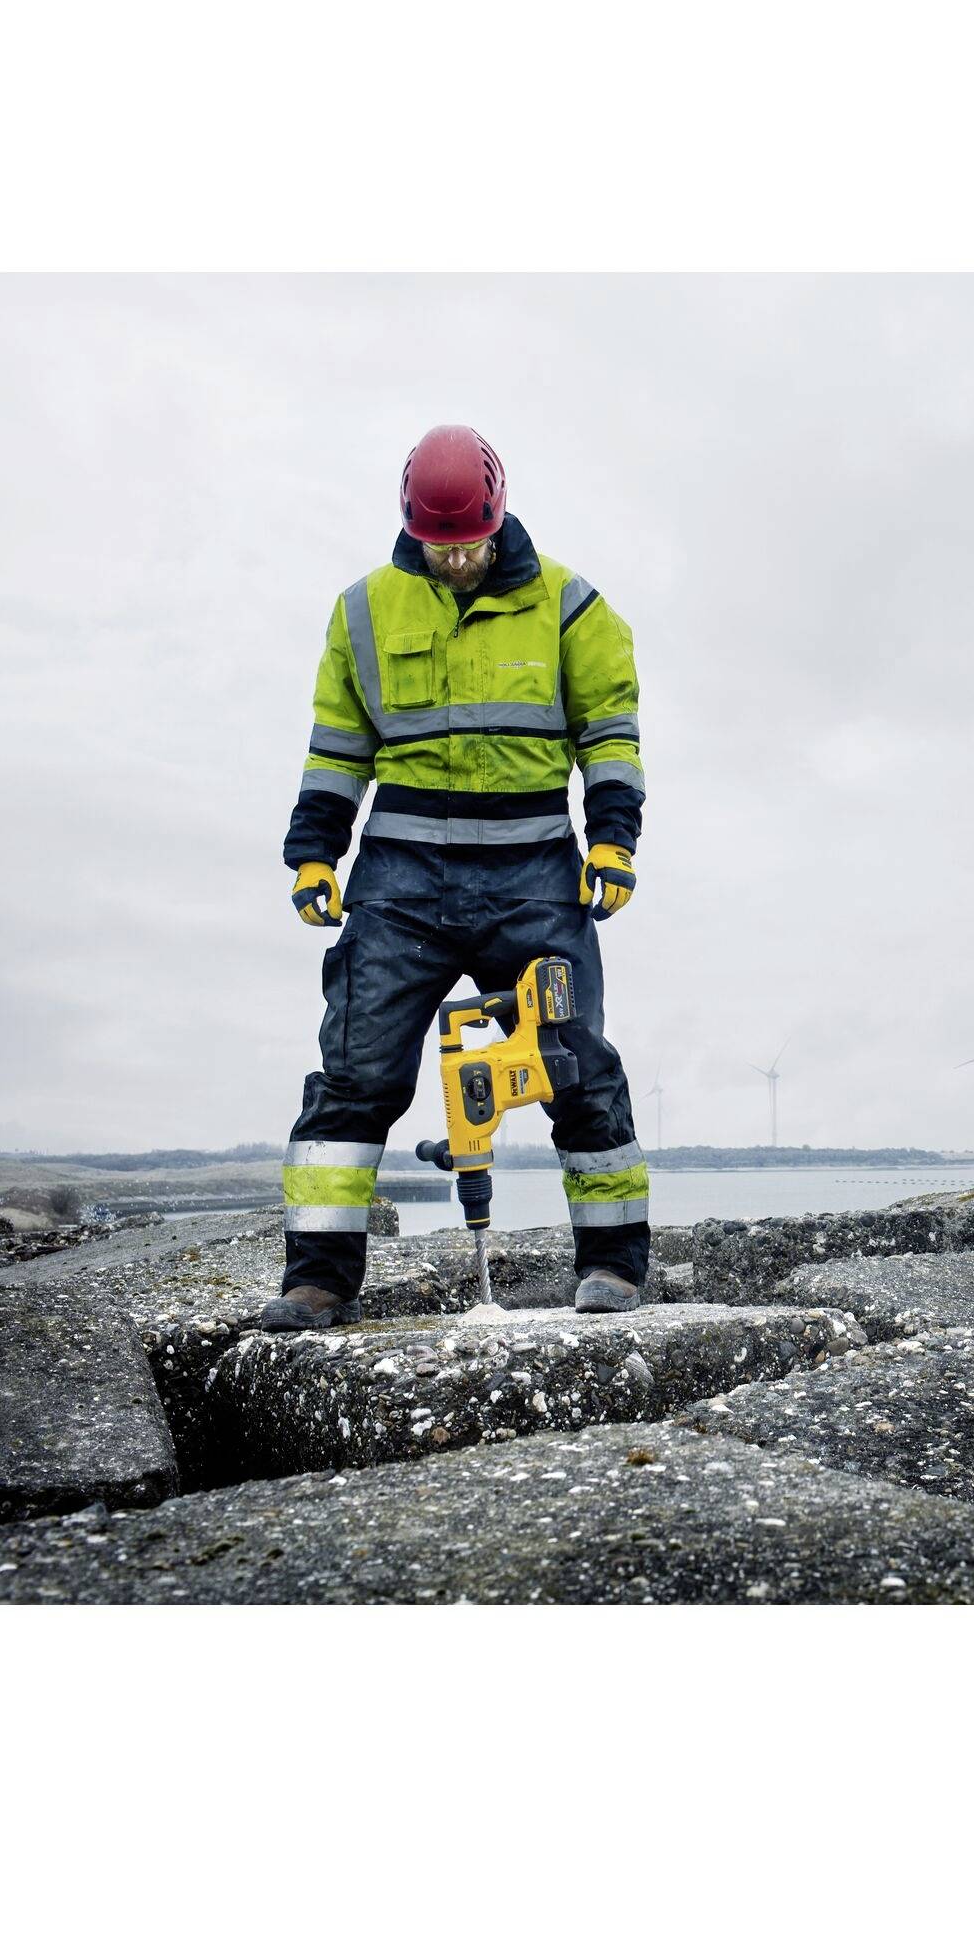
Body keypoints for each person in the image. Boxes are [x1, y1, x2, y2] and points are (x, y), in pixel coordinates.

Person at [264, 424, 649, 1331]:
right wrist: (314, 853)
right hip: (400, 883)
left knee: (575, 1067)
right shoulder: (362, 610)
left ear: (499, 513)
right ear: (412, 528)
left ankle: (615, 1269)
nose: (459, 561)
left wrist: (615, 842)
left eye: (471, 543)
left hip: (533, 875)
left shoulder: (572, 605)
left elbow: (610, 735)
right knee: (354, 1076)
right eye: (442, 548)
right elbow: (336, 748)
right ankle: (317, 1281)